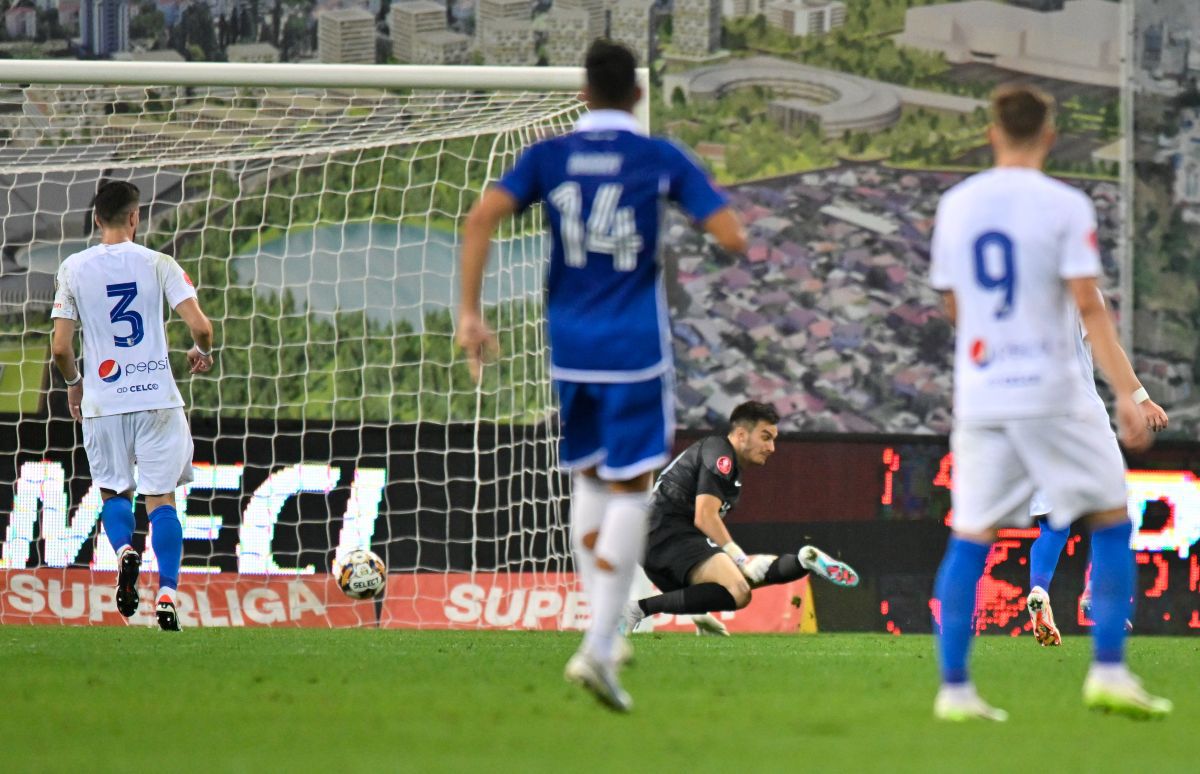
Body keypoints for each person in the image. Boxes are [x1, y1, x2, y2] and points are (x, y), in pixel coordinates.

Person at [456, 40, 746, 712]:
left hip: (571, 348)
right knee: (631, 486)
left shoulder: (550, 157)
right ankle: (597, 643)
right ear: (637, 96)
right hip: (636, 352)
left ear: (583, 93)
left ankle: (602, 632)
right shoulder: (657, 157)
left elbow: (480, 219)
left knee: (588, 478)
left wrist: (470, 314)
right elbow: (730, 234)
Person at [927, 83, 1171, 721]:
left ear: (992, 131)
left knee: (971, 535)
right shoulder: (1065, 205)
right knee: (1112, 520)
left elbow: (954, 305)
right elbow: (1089, 308)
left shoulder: (957, 205)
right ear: (1050, 136)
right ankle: (1110, 672)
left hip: (983, 393)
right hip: (1058, 393)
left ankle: (954, 690)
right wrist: (1128, 394)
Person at [50, 180, 214, 632]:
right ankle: (166, 596)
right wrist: (201, 352)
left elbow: (61, 348)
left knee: (113, 493)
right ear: (136, 218)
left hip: (104, 402)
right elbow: (202, 328)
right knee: (161, 501)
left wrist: (75, 384)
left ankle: (124, 552)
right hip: (157, 400)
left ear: (97, 219)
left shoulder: (73, 268)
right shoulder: (160, 262)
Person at [622, 401, 858, 637]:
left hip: (660, 543)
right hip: (667, 535)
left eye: (773, 439)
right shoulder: (720, 453)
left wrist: (700, 611)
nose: (772, 447)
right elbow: (705, 517)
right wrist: (741, 559)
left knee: (743, 580)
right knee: (740, 590)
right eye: (766, 437)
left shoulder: (729, 468)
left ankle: (802, 562)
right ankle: (636, 609)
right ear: (742, 434)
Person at [1023, 307, 1167, 647]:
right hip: (1080, 414)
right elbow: (1107, 347)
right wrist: (1141, 400)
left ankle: (1039, 588)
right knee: (1113, 514)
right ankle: (1097, 597)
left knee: (1053, 524)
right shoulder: (1078, 289)